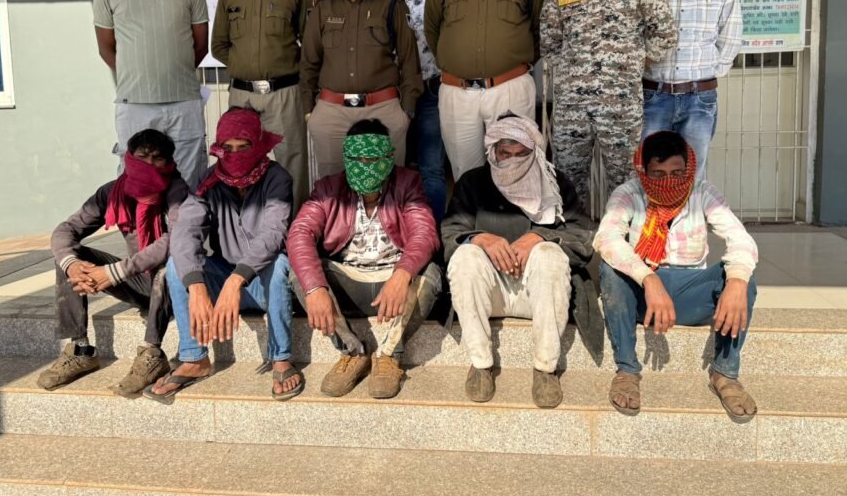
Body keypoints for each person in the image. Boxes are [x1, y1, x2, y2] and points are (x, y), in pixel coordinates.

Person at [594, 130, 758, 420]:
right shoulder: (629, 194)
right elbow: (606, 238)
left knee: (741, 278)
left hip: (689, 291)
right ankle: (627, 371)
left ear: (688, 168)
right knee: (611, 270)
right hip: (644, 297)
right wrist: (648, 278)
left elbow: (740, 239)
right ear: (644, 171)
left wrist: (736, 281)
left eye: (677, 173)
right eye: (658, 174)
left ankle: (725, 374)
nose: (669, 181)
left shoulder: (702, 192)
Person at [144, 107, 302, 402]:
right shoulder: (208, 181)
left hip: (263, 284)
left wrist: (236, 280)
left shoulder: (277, 178)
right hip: (223, 279)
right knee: (177, 265)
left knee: (280, 264)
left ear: (259, 144)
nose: (235, 154)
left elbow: (273, 234)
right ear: (218, 149)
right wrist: (196, 286)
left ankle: (281, 358)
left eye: (244, 147)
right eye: (227, 148)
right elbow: (186, 231)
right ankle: (194, 358)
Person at [443, 115, 592, 408]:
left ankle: (545, 369)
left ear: (534, 151)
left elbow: (582, 237)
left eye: (521, 153)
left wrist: (539, 237)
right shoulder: (473, 182)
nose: (512, 160)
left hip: (538, 295)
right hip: (489, 294)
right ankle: (481, 364)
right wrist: (481, 238)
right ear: (493, 152)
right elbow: (449, 234)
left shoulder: (556, 182)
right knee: (465, 256)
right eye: (505, 153)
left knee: (549, 255)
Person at [540, 0, 676, 209]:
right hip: (572, 108)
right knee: (567, 186)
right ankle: (574, 241)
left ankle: (623, 241)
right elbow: (549, 39)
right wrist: (574, 71)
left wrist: (632, 62)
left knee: (628, 186)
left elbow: (664, 33)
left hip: (621, 107)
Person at [287, 118, 441, 399]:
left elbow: (424, 233)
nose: (365, 166)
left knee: (430, 274)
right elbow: (299, 234)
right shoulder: (328, 189)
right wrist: (315, 288)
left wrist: (402, 274)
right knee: (300, 272)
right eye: (358, 159)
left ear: (389, 158)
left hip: (393, 285)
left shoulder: (407, 183)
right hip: (349, 280)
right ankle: (352, 351)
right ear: (346, 158)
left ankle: (388, 355)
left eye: (373, 159)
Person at [40, 128, 188, 395]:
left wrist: (115, 272)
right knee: (70, 257)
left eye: (158, 159)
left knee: (168, 266)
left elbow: (174, 242)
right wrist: (72, 265)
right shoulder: (113, 192)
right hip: (139, 281)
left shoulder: (177, 192)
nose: (149, 165)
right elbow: (66, 229)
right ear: (129, 159)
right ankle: (80, 349)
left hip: (175, 285)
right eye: (142, 157)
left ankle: (152, 354)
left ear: (169, 163)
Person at [424, 0, 547, 180]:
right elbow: (433, 28)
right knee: (466, 176)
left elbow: (541, 29)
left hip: (510, 89)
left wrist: (510, 63)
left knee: (515, 173)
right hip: (457, 93)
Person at [93, 0, 210, 189]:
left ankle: (187, 222)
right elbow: (106, 48)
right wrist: (139, 75)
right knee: (137, 182)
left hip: (184, 103)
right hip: (135, 105)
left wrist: (172, 73)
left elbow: (200, 46)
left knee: (190, 180)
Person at [301, 0, 423, 180]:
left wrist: (407, 112)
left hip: (383, 109)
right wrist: (309, 112)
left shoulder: (392, 4)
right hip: (332, 112)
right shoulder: (322, 8)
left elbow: (410, 61)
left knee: (387, 182)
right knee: (333, 185)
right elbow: (308, 63)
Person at [211, 0, 314, 207]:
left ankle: (295, 226)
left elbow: (310, 47)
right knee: (239, 161)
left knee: (292, 160)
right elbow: (218, 45)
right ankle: (247, 221)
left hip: (284, 93)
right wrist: (244, 66)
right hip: (241, 95)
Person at [642, 0, 744, 178]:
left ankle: (689, 212)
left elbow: (731, 36)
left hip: (699, 99)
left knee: (691, 175)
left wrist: (707, 75)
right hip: (653, 97)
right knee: (649, 174)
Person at [374, 0, 448, 222]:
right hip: (393, 91)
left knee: (432, 167)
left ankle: (434, 234)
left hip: (434, 88)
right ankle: (394, 230)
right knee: (389, 165)